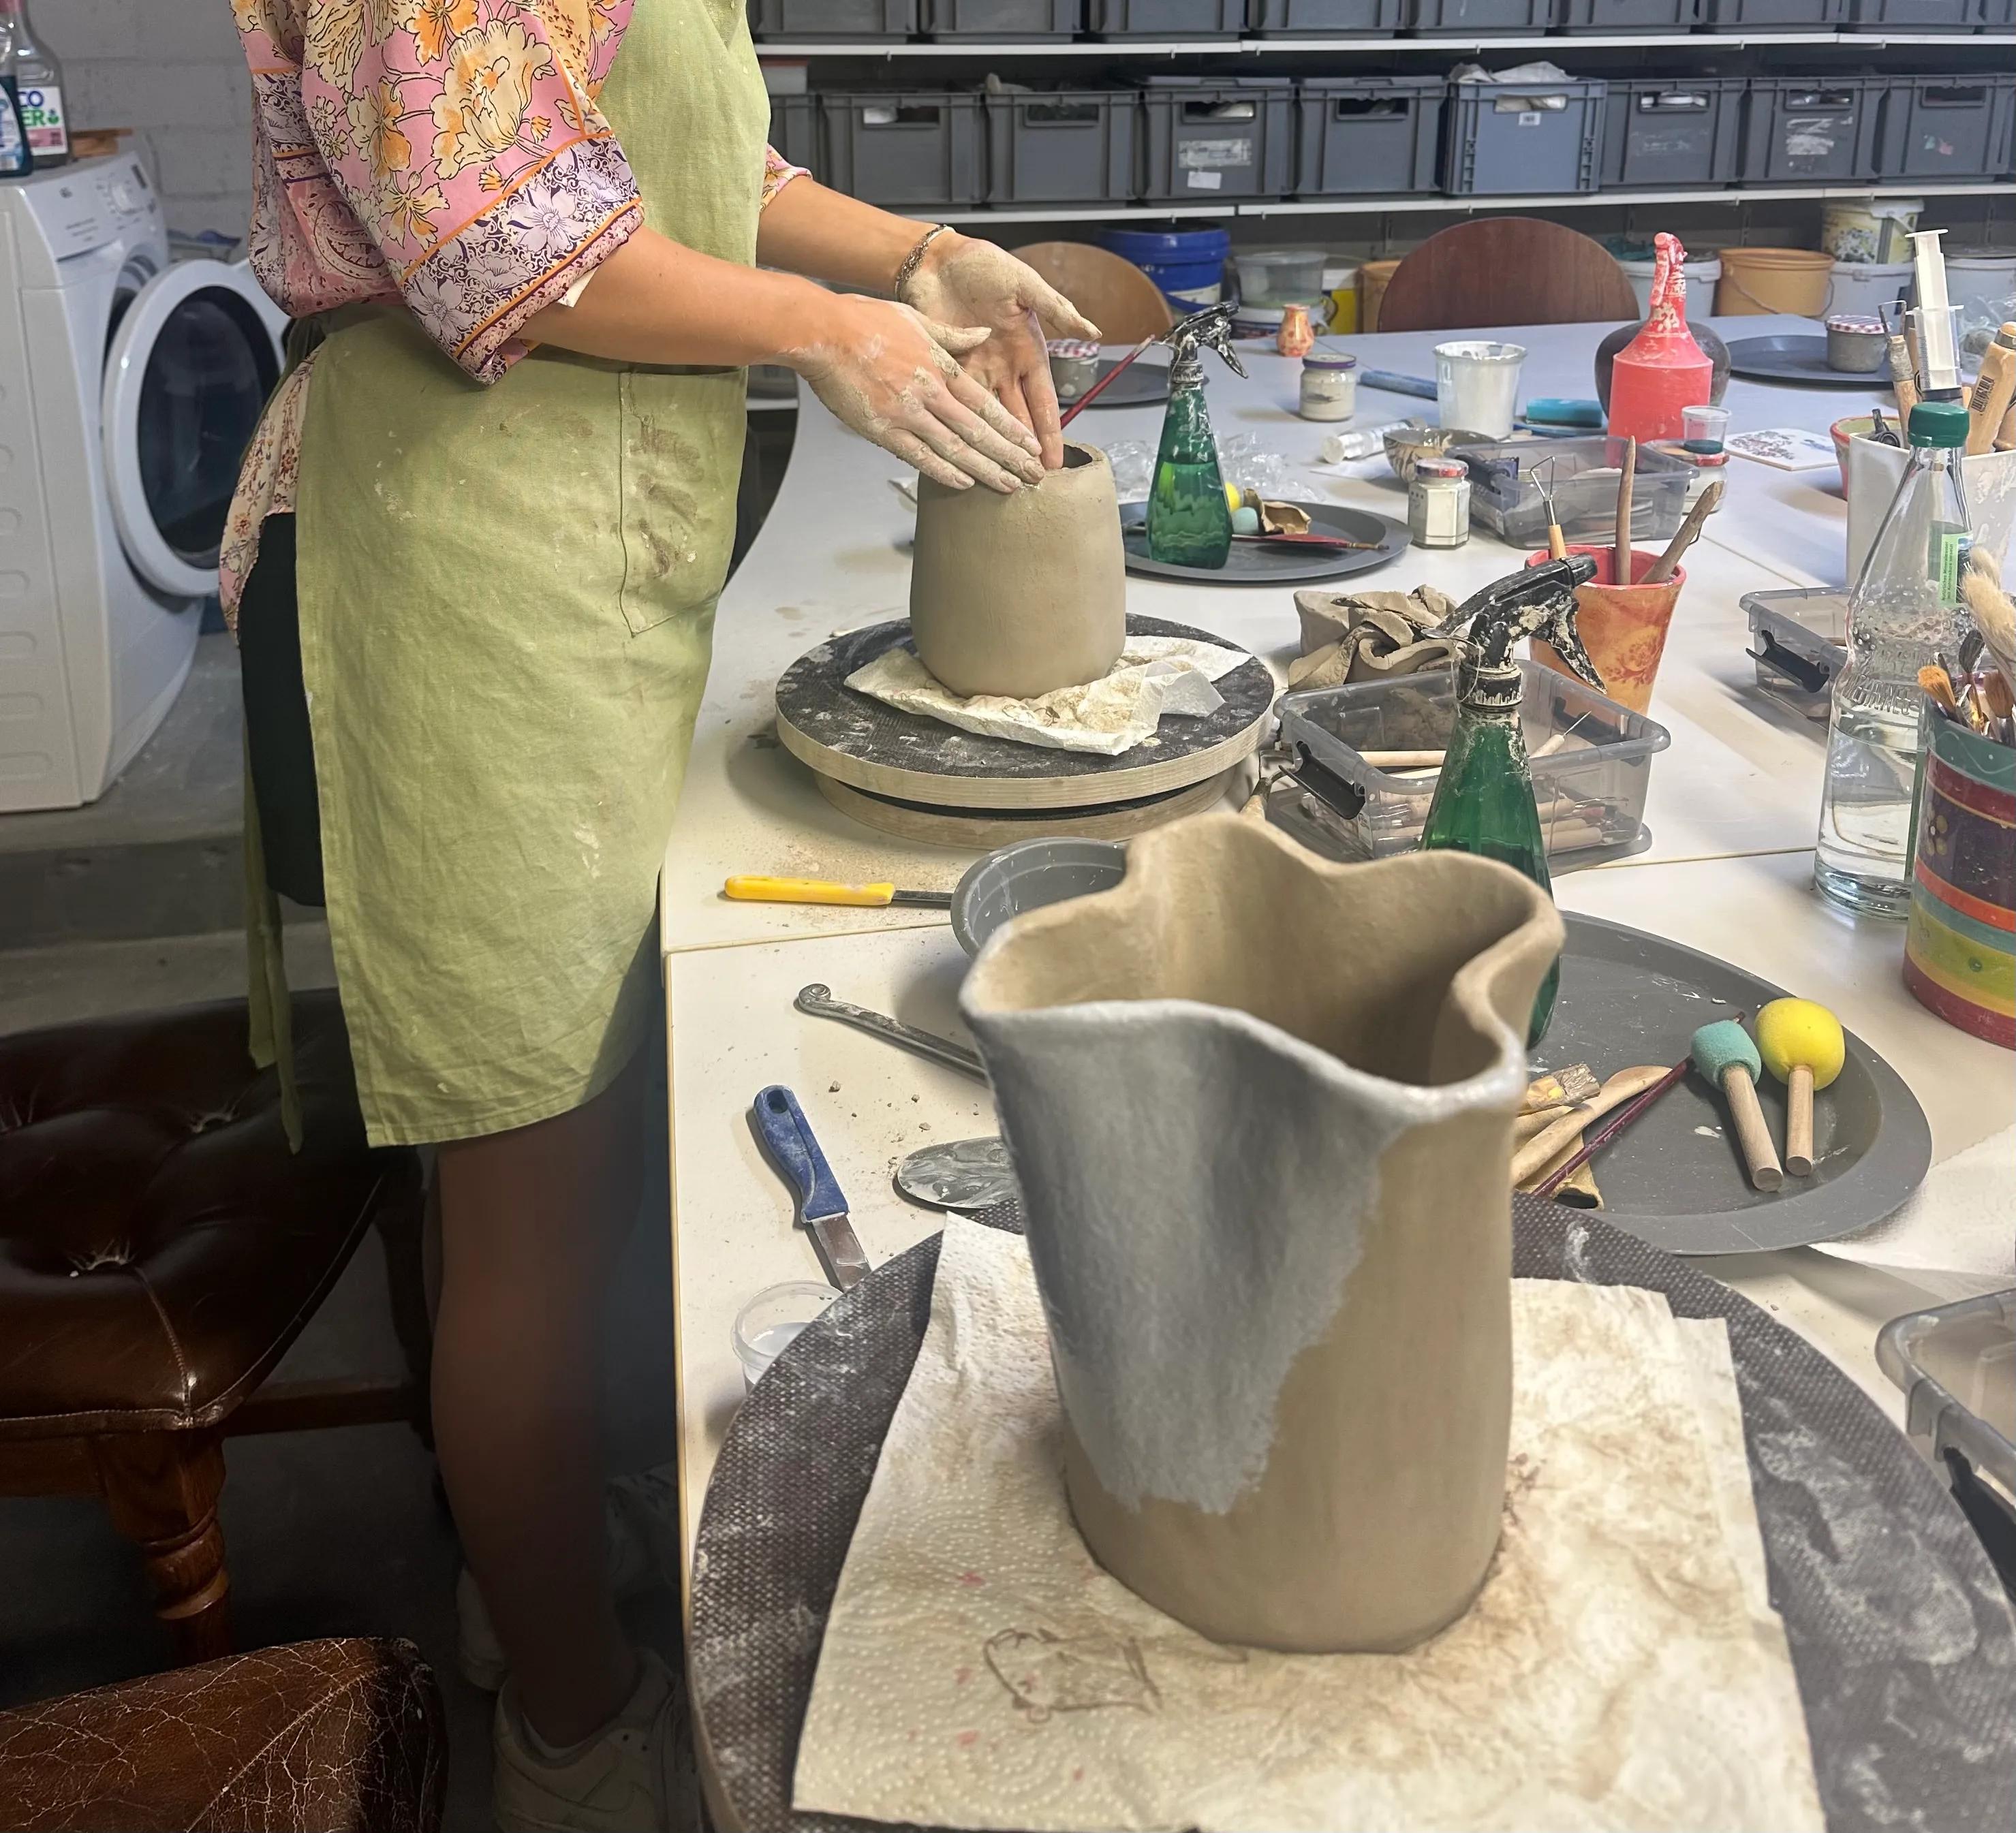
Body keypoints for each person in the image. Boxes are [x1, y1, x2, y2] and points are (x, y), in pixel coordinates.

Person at [221, 5, 1097, 1828]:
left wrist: (915, 254)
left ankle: (524, 1549)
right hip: (471, 567)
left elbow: (685, 172)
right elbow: (501, 233)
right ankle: (564, 1711)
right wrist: (832, 328)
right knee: (531, 1185)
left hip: (578, 548)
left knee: (576, 1146)